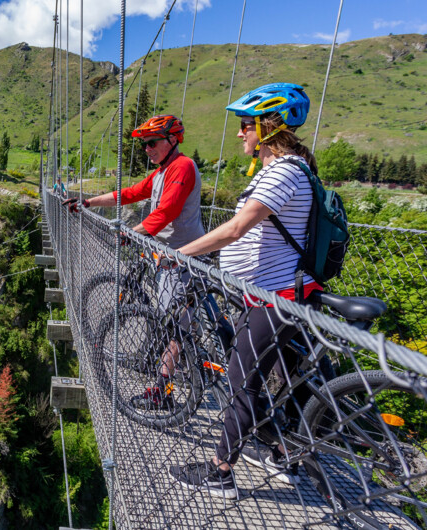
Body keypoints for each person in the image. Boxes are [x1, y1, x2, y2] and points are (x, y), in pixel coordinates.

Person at [166, 83, 322, 499]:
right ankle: (284, 452)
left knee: (242, 380)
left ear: (269, 127)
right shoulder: (291, 169)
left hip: (276, 299)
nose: (239, 133)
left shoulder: (285, 171)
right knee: (282, 379)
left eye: (245, 125)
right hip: (277, 295)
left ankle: (220, 474)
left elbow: (237, 229)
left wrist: (180, 253)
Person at [63, 114, 205, 410]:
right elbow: (128, 194)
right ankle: (167, 367)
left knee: (175, 329)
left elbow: (166, 211)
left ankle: (162, 392)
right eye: (144, 144)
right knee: (172, 323)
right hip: (166, 258)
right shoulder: (161, 172)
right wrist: (87, 202)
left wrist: (134, 232)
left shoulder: (182, 167)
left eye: (152, 143)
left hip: (182, 261)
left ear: (172, 140)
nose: (146, 149)